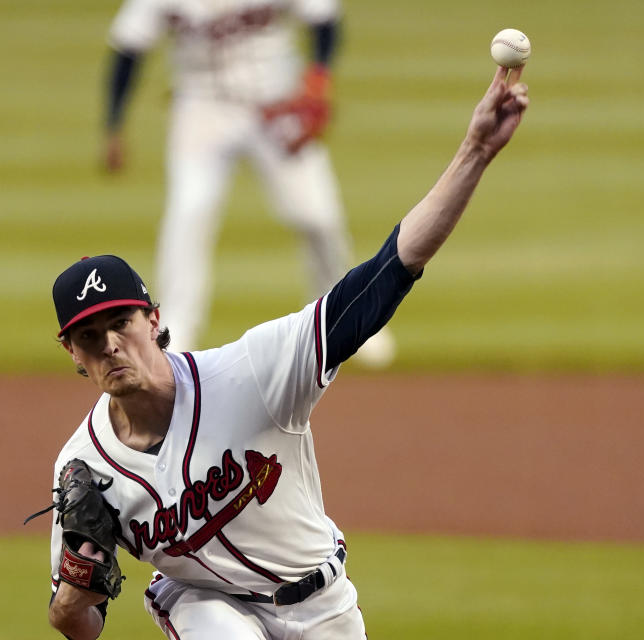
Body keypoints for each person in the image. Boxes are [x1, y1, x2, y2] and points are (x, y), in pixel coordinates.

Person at [46, 66, 529, 640]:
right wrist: (75, 591)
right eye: (88, 337)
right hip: (202, 604)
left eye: (119, 323)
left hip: (323, 604)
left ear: (153, 320)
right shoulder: (85, 466)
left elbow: (384, 275)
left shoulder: (252, 374)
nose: (109, 345)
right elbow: (79, 625)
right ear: (72, 352)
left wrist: (474, 151)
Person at [102, 0, 398, 367]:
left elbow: (323, 17)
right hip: (200, 109)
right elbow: (129, 45)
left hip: (277, 103)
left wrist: (319, 79)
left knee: (317, 215)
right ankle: (174, 333)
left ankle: (350, 315)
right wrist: (114, 125)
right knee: (189, 214)